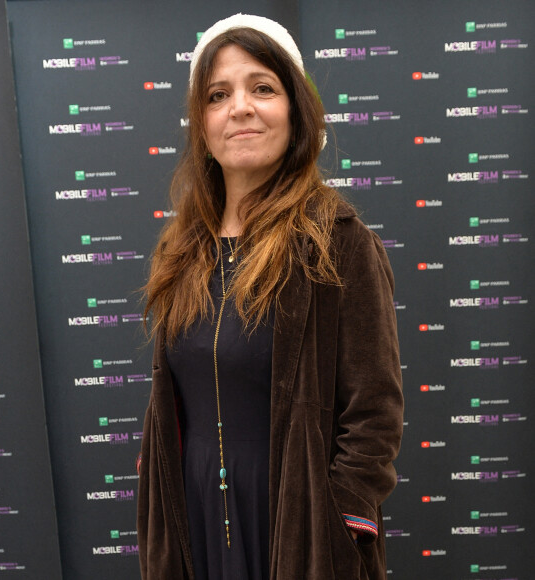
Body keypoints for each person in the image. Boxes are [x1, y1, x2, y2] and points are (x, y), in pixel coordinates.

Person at [137, 13, 403, 580]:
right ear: (201, 125)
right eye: (218, 94)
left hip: (298, 525)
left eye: (262, 88)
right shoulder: (182, 249)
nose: (240, 107)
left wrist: (340, 523)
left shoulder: (339, 243)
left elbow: (374, 414)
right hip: (197, 512)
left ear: (295, 112)